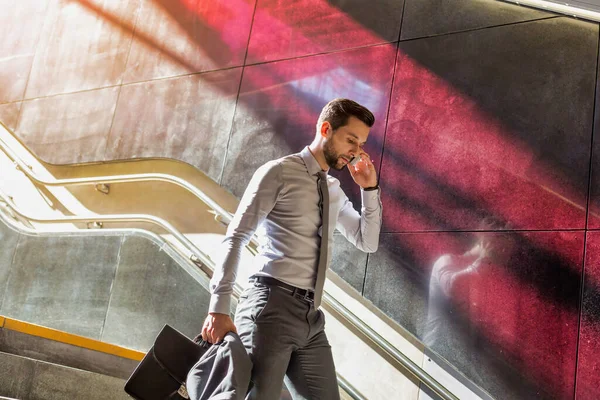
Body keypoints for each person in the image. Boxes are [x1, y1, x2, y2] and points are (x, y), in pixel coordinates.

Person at [200, 98, 383, 399]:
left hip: (310, 317)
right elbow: (236, 236)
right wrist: (218, 307)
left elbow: (368, 241)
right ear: (326, 129)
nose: (356, 151)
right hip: (270, 306)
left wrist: (370, 190)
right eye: (351, 139)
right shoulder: (279, 172)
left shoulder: (334, 191)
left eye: (361, 143)